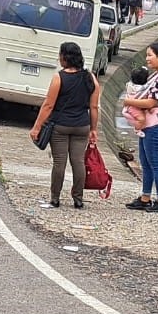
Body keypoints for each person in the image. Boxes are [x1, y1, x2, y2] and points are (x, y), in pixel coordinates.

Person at [29, 42, 101, 209]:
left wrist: (37, 127)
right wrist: (94, 129)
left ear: (65, 57)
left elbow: (48, 105)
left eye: (60, 55)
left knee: (59, 162)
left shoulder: (59, 77)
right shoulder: (90, 78)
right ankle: (78, 198)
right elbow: (94, 107)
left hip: (60, 126)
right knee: (78, 161)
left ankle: (55, 197)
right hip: (82, 126)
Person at [122, 43, 158, 214]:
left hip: (156, 125)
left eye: (150, 55)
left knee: (154, 163)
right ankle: (145, 197)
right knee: (146, 162)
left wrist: (128, 102)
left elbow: (150, 102)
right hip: (149, 124)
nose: (147, 59)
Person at [122, 66, 151, 136]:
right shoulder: (140, 88)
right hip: (133, 107)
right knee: (141, 119)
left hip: (131, 106)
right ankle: (137, 129)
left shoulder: (130, 85)